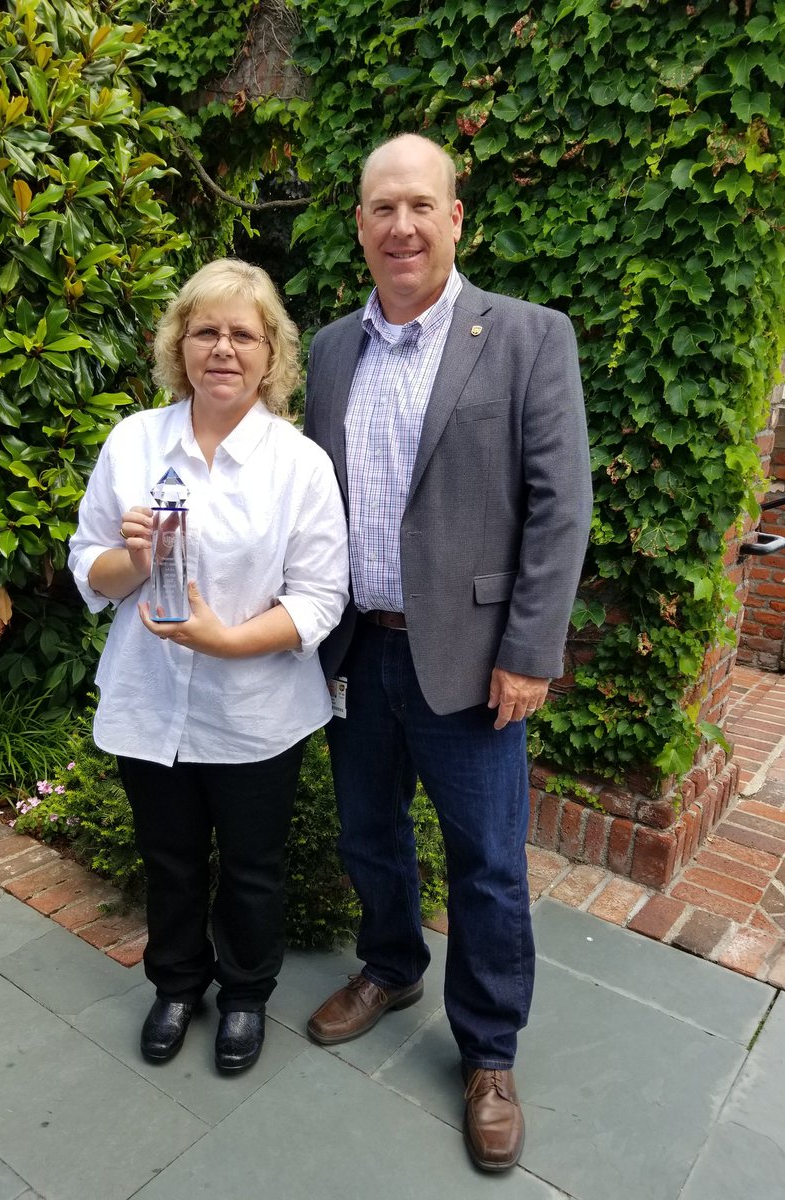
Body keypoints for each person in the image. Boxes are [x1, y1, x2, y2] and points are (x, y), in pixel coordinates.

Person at [302, 134, 592, 1171]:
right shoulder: (331, 350)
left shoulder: (525, 336)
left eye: (422, 205)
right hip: (357, 653)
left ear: (456, 217)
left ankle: (490, 1049)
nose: (402, 226)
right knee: (368, 835)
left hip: (472, 662)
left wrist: (530, 652)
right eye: (383, 208)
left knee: (486, 865)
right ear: (361, 224)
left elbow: (561, 511)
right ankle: (390, 965)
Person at [68, 259, 348, 1074]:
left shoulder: (299, 464)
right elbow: (89, 565)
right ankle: (178, 984)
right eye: (205, 331)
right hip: (149, 701)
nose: (222, 349)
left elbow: (322, 597)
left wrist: (225, 641)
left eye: (242, 334)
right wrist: (130, 558)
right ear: (178, 344)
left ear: (271, 354)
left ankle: (246, 996)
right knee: (170, 856)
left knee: (255, 867)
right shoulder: (134, 441)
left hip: (258, 710)